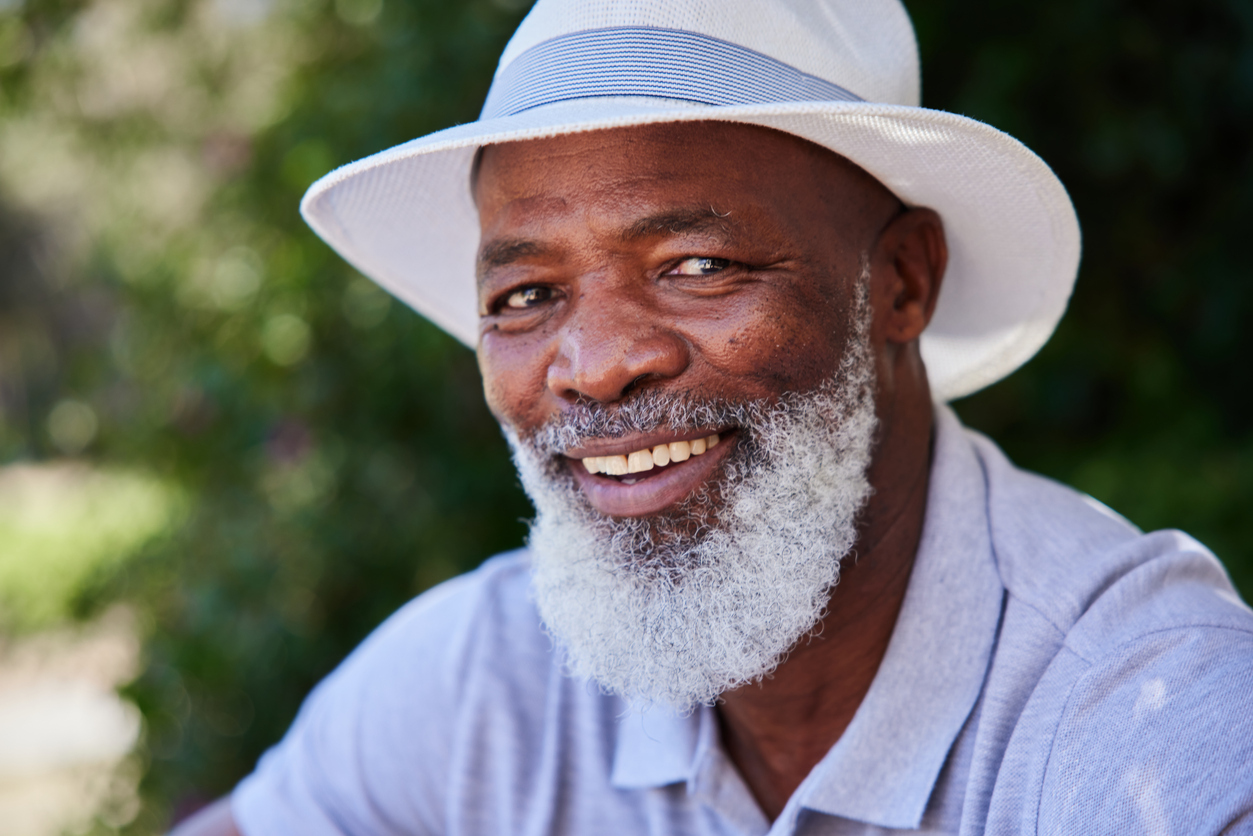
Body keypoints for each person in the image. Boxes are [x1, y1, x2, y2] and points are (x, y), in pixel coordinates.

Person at [173, 0, 1253, 834]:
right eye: (526, 297)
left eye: (696, 264)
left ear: (900, 282)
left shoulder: (1152, 718)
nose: (592, 368)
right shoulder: (486, 681)